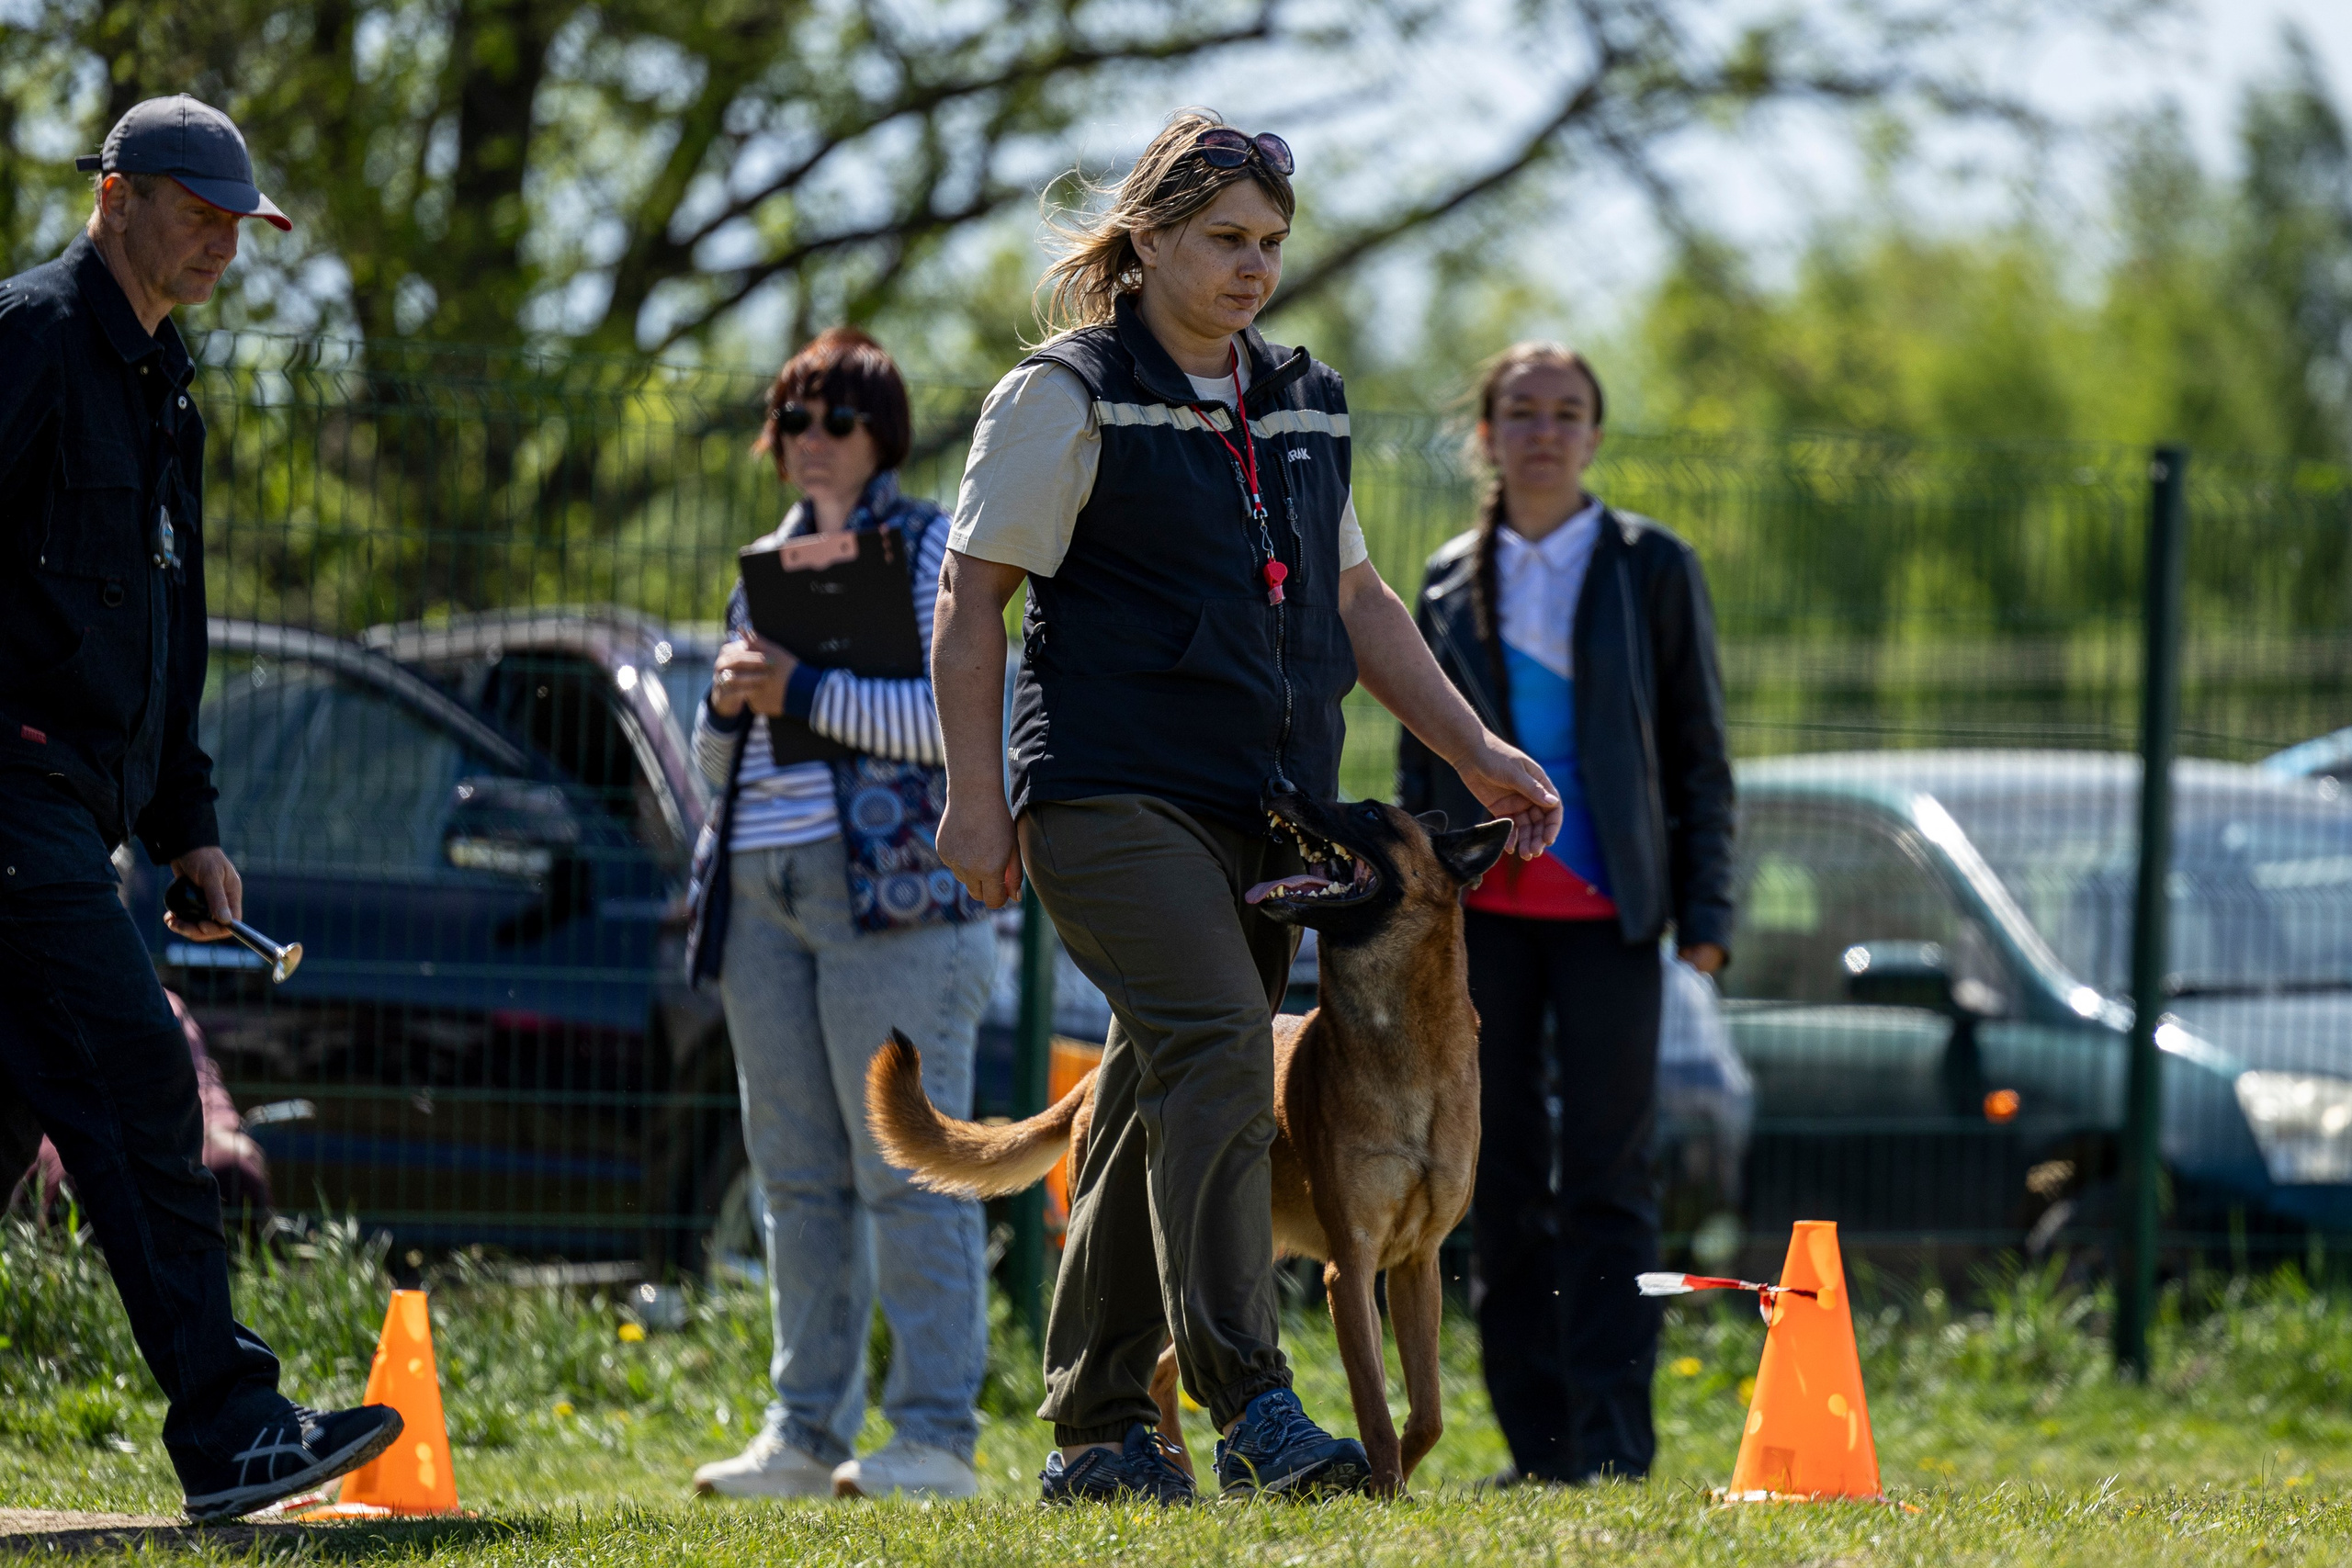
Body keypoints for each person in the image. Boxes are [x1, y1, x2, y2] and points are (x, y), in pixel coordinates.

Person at [930, 109, 1564, 1505]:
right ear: (1145, 239)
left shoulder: (1300, 396)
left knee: (1154, 1097)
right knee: (1223, 1036)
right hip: (1104, 792)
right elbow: (972, 608)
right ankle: (1253, 1402)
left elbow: (1358, 600)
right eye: (1224, 240)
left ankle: (1097, 1433)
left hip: (1265, 813)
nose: (1252, 268)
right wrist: (979, 801)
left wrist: (1474, 750)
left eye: (1271, 244)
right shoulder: (1064, 393)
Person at [0, 96, 403, 1521]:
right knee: (138, 1081)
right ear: (115, 197)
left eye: (242, 221)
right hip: (11, 797)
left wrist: (188, 825)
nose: (225, 239)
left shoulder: (168, 388)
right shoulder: (34, 340)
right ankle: (234, 1430)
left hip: (80, 809)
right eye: (197, 208)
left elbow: (173, 626)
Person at [1397, 342, 1736, 1485]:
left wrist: (1707, 909)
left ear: (1594, 435)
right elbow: (1416, 769)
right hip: (1483, 925)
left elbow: (1698, 751)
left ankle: (1616, 1444)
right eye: (1521, 412)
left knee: (1609, 1182)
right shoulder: (1442, 579)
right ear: (1485, 433)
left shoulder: (1651, 566)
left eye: (1567, 412)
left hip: (1615, 925)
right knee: (1498, 1184)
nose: (1544, 430)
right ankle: (1537, 1450)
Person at [684, 327, 996, 1503]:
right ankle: (805, 1434)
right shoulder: (760, 563)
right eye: (796, 418)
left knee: (908, 1168)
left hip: (897, 900)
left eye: (840, 419)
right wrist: (726, 708)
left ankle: (933, 1437)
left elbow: (955, 721)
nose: (814, 441)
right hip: (757, 898)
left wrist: (801, 689)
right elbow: (719, 768)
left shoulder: (927, 548)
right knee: (795, 1174)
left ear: (883, 436)